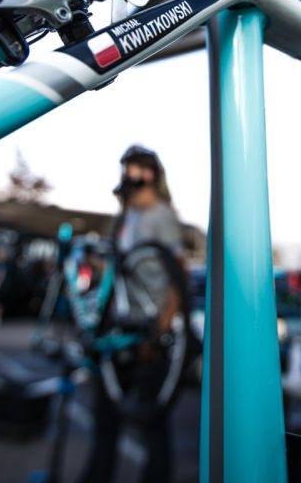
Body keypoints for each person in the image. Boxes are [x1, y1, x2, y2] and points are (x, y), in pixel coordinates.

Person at [79, 145, 183, 483]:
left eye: (134, 169)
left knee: (152, 423)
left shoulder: (160, 215)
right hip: (121, 328)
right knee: (106, 415)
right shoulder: (127, 216)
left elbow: (178, 275)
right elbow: (122, 268)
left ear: (150, 174)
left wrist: (159, 331)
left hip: (150, 331)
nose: (127, 176)